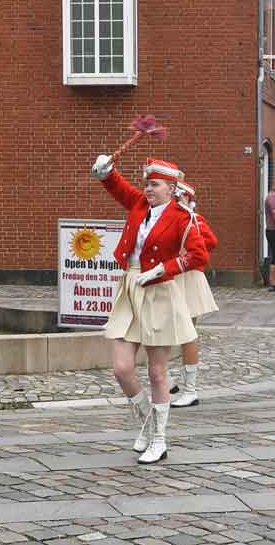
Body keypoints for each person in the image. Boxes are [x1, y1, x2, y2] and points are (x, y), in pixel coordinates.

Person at [90, 155, 209, 464]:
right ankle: (147, 420)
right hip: (130, 288)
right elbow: (119, 188)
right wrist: (106, 172)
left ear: (171, 188)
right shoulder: (140, 205)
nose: (148, 189)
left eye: (154, 184)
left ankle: (159, 439)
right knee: (122, 368)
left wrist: (161, 270)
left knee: (157, 373)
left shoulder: (183, 217)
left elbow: (199, 255)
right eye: (146, 184)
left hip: (159, 291)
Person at [170, 181, 219, 409]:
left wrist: (190, 244)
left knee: (188, 333)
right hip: (170, 277)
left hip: (188, 278)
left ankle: (190, 389)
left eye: (179, 198)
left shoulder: (193, 219)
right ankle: (169, 379)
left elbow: (211, 242)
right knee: (162, 329)